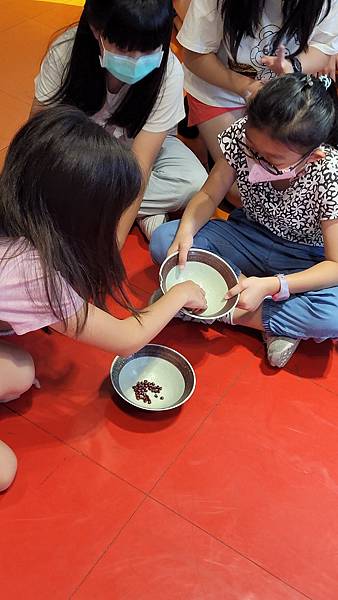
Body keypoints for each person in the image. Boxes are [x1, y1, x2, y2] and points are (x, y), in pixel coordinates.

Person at [0, 106, 206, 490]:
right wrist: (181, 292)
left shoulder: (13, 213)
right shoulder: (35, 273)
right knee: (5, 470)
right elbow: (126, 339)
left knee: (21, 375)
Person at [150, 74, 338, 368]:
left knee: (332, 315)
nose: (256, 161)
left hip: (301, 260)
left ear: (311, 157)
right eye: (252, 148)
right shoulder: (241, 136)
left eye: (273, 159)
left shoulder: (329, 174)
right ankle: (270, 320)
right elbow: (209, 196)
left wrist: (274, 285)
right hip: (246, 236)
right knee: (165, 240)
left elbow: (335, 265)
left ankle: (207, 304)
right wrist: (185, 231)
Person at [31, 0, 208, 244]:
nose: (136, 60)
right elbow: (38, 139)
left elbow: (140, 167)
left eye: (149, 49)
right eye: (124, 50)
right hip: (81, 157)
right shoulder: (66, 52)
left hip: (134, 154)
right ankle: (139, 212)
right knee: (48, 180)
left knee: (193, 181)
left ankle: (98, 206)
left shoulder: (168, 72)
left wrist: (114, 243)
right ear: (96, 30)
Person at [176, 0, 338, 163]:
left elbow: (322, 48)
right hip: (220, 90)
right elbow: (195, 56)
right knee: (240, 175)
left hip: (284, 91)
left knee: (289, 161)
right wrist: (248, 88)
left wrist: (293, 67)